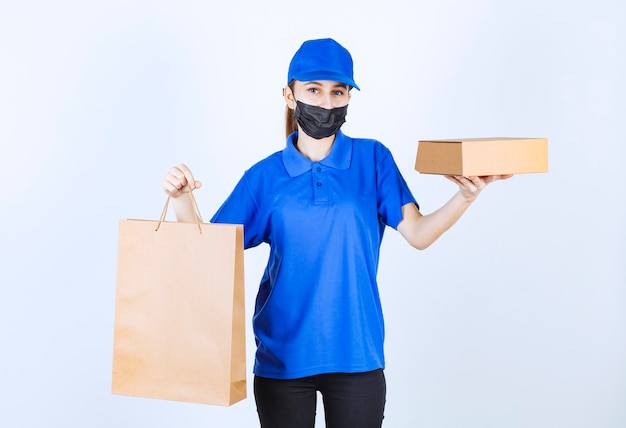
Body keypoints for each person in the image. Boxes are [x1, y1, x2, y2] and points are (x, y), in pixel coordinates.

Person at [162, 38, 511, 428]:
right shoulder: (264, 177)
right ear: (290, 96)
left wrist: (465, 196)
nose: (326, 103)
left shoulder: (372, 159)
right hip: (283, 358)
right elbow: (208, 253)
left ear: (348, 98)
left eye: (337, 92)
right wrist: (180, 200)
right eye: (313, 90)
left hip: (356, 353)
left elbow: (418, 234)